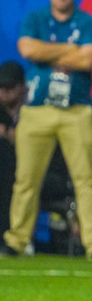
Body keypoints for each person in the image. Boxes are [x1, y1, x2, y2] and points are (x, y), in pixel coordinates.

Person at [0, 0, 92, 261]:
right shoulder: (35, 19)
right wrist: (71, 50)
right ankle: (17, 240)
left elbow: (88, 59)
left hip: (76, 110)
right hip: (37, 110)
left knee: (86, 179)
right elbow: (28, 50)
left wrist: (47, 51)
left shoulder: (88, 22)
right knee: (25, 179)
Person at [0, 61, 26, 236]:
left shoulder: (35, 110)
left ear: (22, 87)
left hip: (36, 171)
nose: (4, 92)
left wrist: (8, 134)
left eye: (9, 87)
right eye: (1, 87)